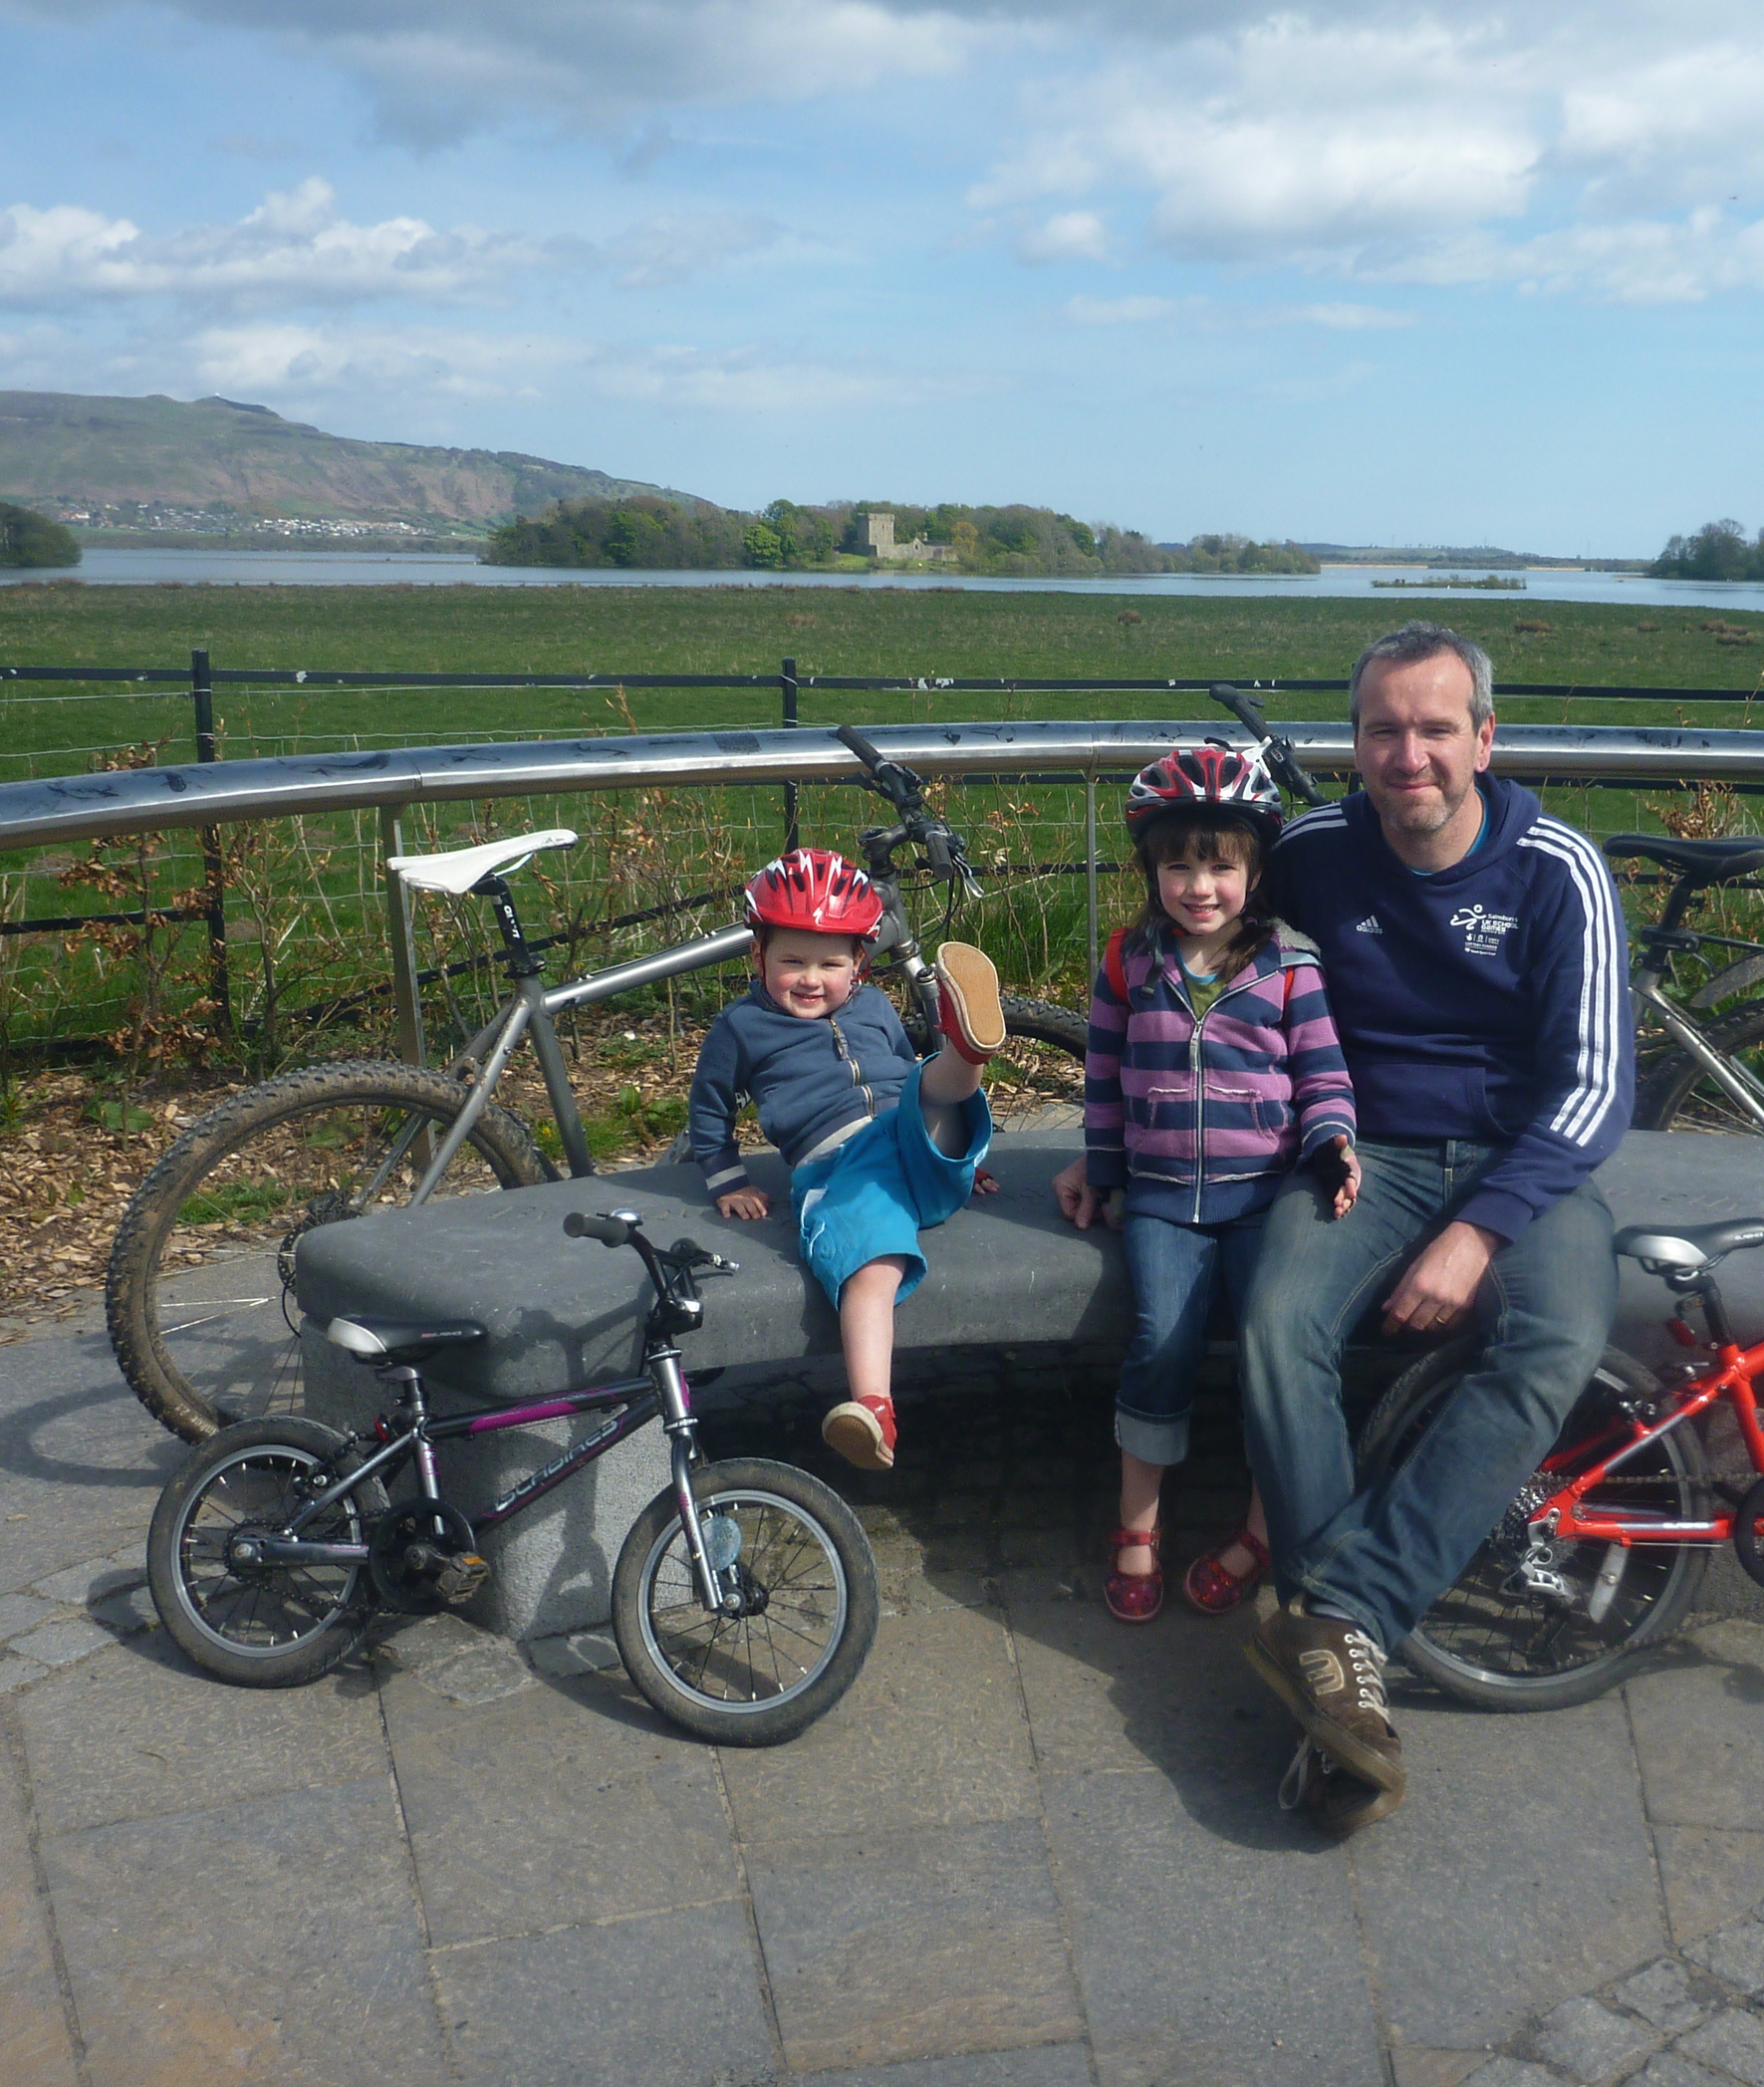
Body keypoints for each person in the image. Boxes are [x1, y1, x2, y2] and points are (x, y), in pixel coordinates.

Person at [1058, 622, 1633, 1835]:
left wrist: (1479, 1230)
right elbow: (1186, 926)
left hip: (1524, 1169)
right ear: (1354, 741)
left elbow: (1592, 1089)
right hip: (1353, 1160)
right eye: (1382, 729)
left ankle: (1340, 1616)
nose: (1406, 754)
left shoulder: (1557, 868)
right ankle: (1342, 1665)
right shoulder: (1313, 854)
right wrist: (1102, 1146)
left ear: (1486, 737)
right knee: (1277, 1322)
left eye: (1434, 728)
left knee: (1551, 1342)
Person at [1074, 746, 1362, 1625]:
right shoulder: (1129, 962)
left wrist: (1333, 1142)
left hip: (1262, 1194)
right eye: (1178, 864)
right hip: (1162, 1195)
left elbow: (1322, 1073)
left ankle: (1261, 1531)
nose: (1200, 885)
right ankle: (1138, 1526)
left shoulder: (1288, 965)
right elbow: (1101, 1075)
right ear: (1151, 870)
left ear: (1254, 870)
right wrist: (1102, 1168)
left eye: (1221, 865)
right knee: (1161, 1341)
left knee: (1271, 1357)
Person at [688, 849, 1006, 1470]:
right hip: (842, 1164)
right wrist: (728, 1180)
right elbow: (708, 1111)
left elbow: (894, 1068)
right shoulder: (741, 1026)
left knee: (917, 1089)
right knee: (872, 1264)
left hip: (909, 1136)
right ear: (758, 957)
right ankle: (873, 1409)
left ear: (859, 964)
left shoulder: (875, 1007)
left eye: (830, 963)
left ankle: (964, 1057)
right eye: (791, 962)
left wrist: (959, 1167)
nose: (810, 979)